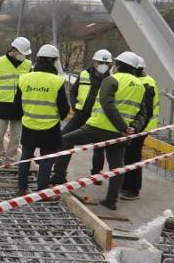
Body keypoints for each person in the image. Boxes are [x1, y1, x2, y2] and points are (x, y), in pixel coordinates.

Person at [50, 51, 148, 211]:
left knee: (66, 139)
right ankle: (111, 200)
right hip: (120, 134)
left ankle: (59, 177)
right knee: (117, 165)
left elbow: (107, 104)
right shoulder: (140, 86)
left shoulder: (112, 79)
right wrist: (132, 128)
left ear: (119, 65)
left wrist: (122, 126)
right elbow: (142, 113)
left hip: (98, 127)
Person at [13, 44, 70, 192]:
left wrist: (28, 114)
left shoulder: (25, 78)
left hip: (29, 124)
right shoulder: (57, 81)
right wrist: (57, 117)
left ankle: (21, 188)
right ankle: (42, 191)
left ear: (38, 59)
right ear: (54, 60)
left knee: (25, 157)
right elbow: (64, 108)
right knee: (46, 159)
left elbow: (17, 104)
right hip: (50, 127)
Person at [65, 49, 112, 176]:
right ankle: (59, 171)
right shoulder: (84, 74)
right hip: (81, 114)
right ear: (94, 62)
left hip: (99, 117)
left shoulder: (112, 79)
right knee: (64, 138)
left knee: (99, 147)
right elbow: (73, 91)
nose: (103, 65)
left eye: (106, 63)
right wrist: (74, 104)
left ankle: (96, 174)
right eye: (100, 62)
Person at [120, 57, 160, 200]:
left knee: (133, 156)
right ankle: (124, 185)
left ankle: (132, 189)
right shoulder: (140, 81)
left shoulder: (146, 85)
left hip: (141, 128)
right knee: (127, 155)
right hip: (136, 127)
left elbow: (147, 113)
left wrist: (135, 130)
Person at [0, 37, 32, 163]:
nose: (23, 56)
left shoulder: (28, 65)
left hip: (19, 106)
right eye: (22, 53)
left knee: (16, 137)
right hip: (1, 105)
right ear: (14, 50)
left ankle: (10, 159)